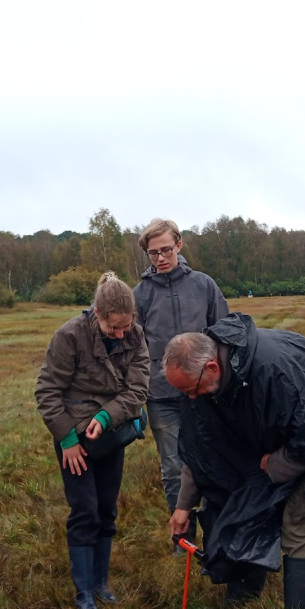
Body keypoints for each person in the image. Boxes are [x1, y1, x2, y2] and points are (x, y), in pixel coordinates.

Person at [163, 313, 305, 609]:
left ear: (212, 368)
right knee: (236, 499)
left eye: (191, 391)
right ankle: (244, 591)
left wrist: (277, 463)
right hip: (262, 432)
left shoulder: (276, 371)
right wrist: (184, 506)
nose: (190, 398)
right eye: (184, 393)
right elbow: (203, 450)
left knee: (299, 518)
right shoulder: (200, 385)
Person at [35, 272, 149, 609]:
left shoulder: (135, 334)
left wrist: (105, 417)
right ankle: (83, 593)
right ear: (96, 312)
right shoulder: (69, 335)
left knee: (106, 508)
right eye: (113, 328)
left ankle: (101, 583)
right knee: (84, 510)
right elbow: (47, 392)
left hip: (111, 435)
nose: (120, 334)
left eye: (126, 327)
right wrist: (68, 440)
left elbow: (138, 389)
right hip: (74, 439)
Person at [132, 218, 228, 526]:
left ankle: (219, 524)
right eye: (153, 253)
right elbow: (132, 346)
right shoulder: (140, 295)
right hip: (161, 396)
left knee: (212, 457)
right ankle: (182, 533)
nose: (160, 258)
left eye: (166, 251)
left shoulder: (204, 285)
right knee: (173, 466)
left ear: (179, 245)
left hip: (204, 391)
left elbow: (226, 334)